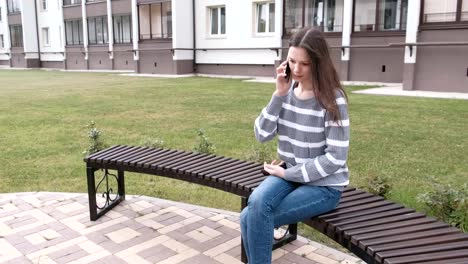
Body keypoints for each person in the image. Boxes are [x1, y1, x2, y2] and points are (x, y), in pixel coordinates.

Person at [240, 27, 350, 264]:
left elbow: (335, 159)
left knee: (251, 217)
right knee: (255, 206)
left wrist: (288, 172)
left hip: (324, 186)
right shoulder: (286, 92)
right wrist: (278, 95)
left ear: (318, 63)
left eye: (305, 64)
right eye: (292, 61)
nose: (297, 69)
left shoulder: (333, 99)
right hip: (289, 174)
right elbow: (261, 134)